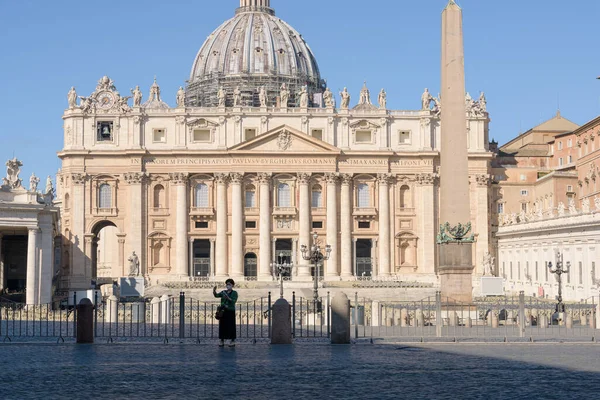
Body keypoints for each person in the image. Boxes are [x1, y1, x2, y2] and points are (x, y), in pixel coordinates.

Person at [213, 279, 238, 347]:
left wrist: (228, 297)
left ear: (232, 285)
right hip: (223, 311)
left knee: (231, 326)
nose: (228, 285)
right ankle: (221, 340)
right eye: (227, 284)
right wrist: (214, 291)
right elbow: (216, 295)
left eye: (229, 284)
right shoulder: (223, 292)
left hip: (230, 311)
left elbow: (233, 301)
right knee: (222, 326)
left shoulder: (234, 293)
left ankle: (232, 340)